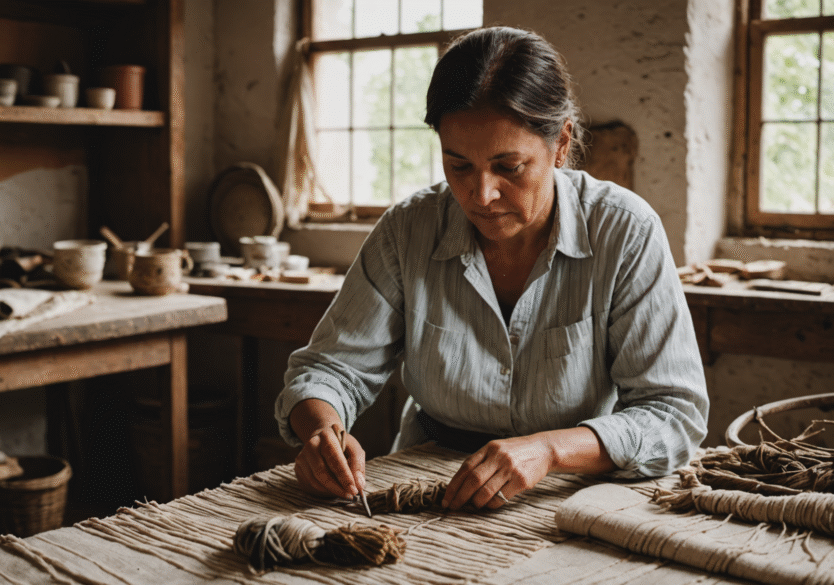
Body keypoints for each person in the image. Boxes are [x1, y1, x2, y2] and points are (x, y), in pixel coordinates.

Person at [275, 26, 708, 511]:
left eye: (509, 167)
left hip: (572, 490)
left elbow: (673, 414)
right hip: (430, 485)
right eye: (458, 166)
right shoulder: (408, 230)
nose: (481, 196)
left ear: (561, 143)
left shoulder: (625, 232)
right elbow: (330, 368)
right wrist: (320, 433)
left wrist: (549, 449)